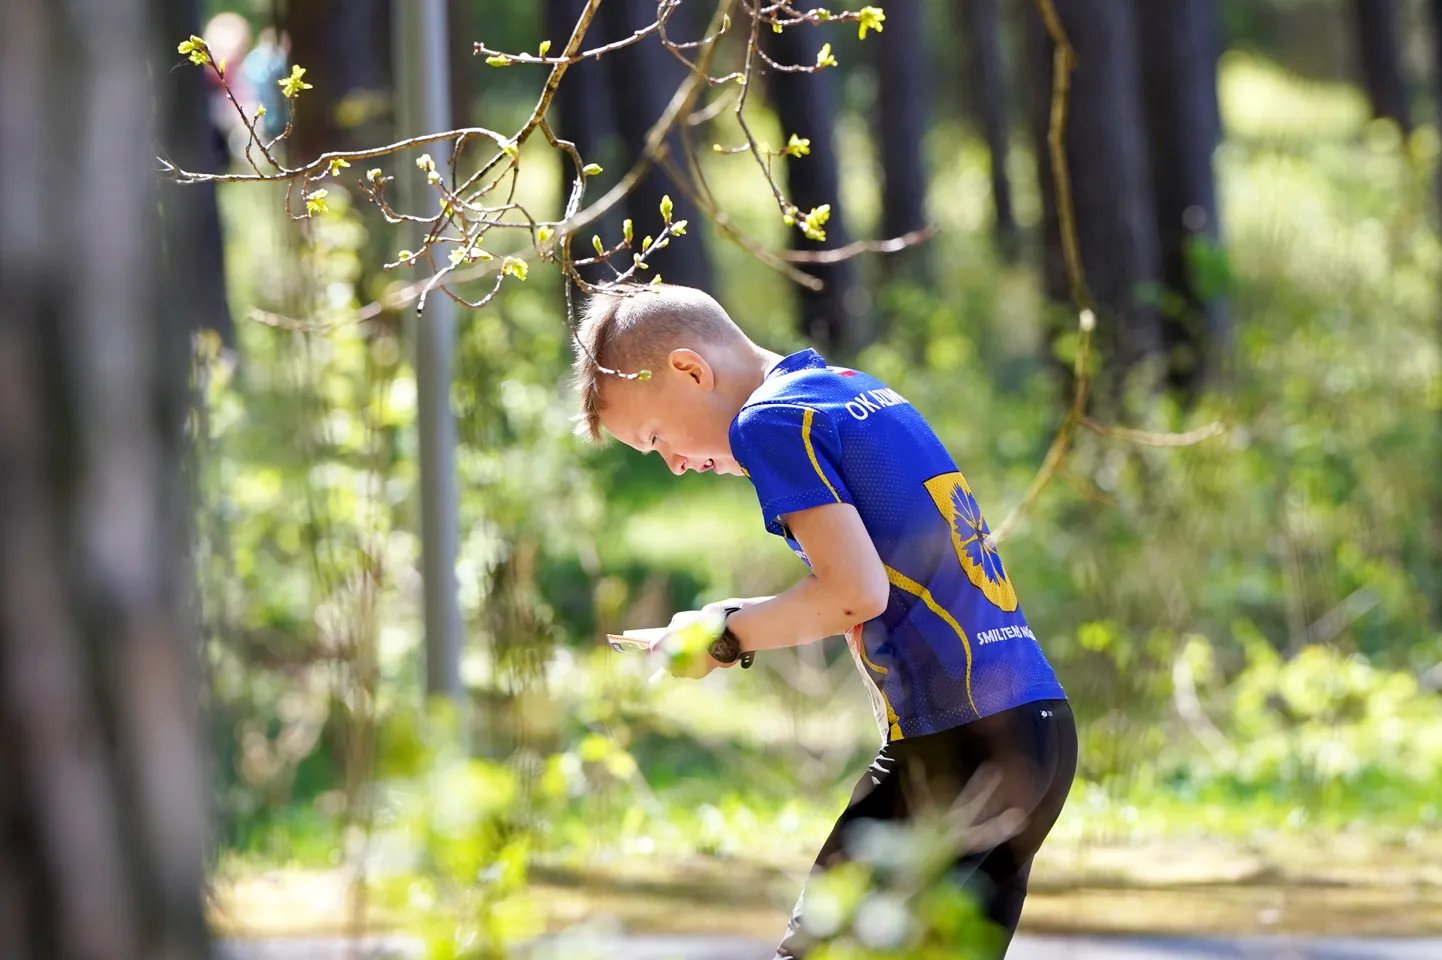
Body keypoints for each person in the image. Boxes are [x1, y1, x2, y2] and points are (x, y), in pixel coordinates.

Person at [572, 283, 1078, 958]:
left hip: (958, 747)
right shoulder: (848, 390)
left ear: (691, 370)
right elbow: (862, 584)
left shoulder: (769, 424)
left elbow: (854, 594)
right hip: (1035, 730)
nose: (676, 465)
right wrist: (715, 621)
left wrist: (723, 639)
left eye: (658, 438)